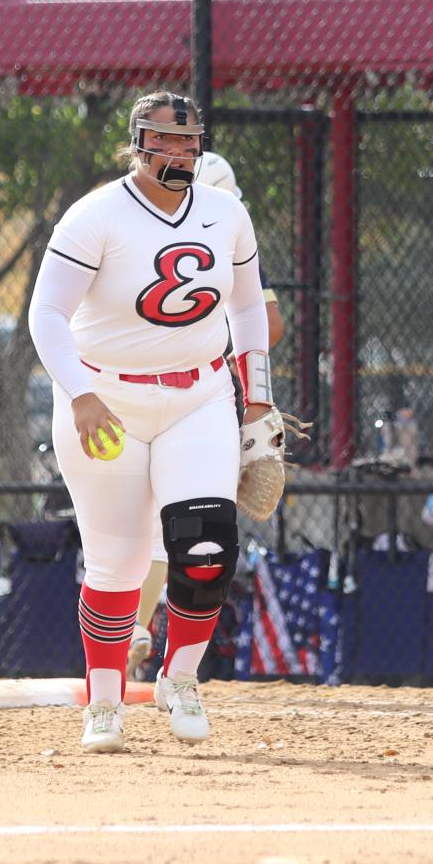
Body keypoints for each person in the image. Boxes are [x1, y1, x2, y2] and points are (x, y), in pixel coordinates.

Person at [28, 92, 275, 752]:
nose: (178, 154)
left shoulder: (225, 214)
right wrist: (78, 393)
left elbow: (249, 312)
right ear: (136, 144)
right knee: (118, 561)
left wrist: (256, 397)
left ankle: (181, 677)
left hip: (197, 396)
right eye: (164, 141)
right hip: (107, 399)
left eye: (188, 142)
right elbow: (45, 313)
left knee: (205, 545)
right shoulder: (97, 215)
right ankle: (104, 700)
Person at [126, 148, 285, 678]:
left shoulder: (223, 235)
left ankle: (148, 638)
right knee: (145, 520)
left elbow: (269, 322)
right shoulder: (137, 232)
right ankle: (136, 628)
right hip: (140, 391)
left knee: (182, 521)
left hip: (201, 395)